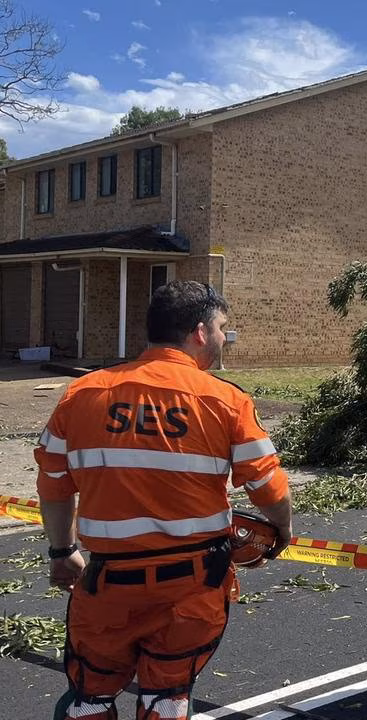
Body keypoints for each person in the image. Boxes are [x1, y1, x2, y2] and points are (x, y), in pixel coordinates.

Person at [35, 281, 293, 720]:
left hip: (107, 584)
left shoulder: (82, 395)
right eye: (221, 328)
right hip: (190, 589)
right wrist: (280, 530)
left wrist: (62, 552)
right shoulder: (225, 400)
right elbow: (269, 487)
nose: (222, 338)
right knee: (166, 697)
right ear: (198, 331)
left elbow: (53, 483)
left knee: (89, 696)